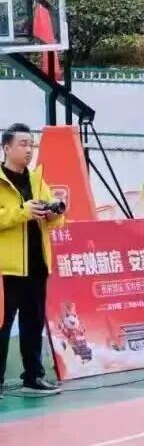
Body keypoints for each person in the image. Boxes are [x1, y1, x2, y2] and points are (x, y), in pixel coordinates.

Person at [0, 123, 65, 397]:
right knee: (2, 325)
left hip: (37, 264)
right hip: (6, 269)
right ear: (6, 148)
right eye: (23, 144)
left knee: (33, 322)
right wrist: (22, 212)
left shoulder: (37, 180)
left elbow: (56, 222)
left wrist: (54, 214)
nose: (29, 150)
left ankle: (33, 377)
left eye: (31, 144)